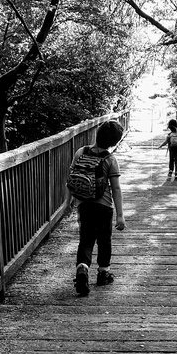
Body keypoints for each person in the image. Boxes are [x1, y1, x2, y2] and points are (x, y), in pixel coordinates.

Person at [63, 119, 125, 296]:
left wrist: (67, 203)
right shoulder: (111, 159)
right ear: (114, 142)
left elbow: (70, 180)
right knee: (104, 241)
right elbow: (116, 188)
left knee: (86, 239)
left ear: (96, 134)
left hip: (84, 205)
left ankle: (82, 267)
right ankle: (103, 273)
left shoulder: (81, 152)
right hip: (104, 207)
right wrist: (120, 215)